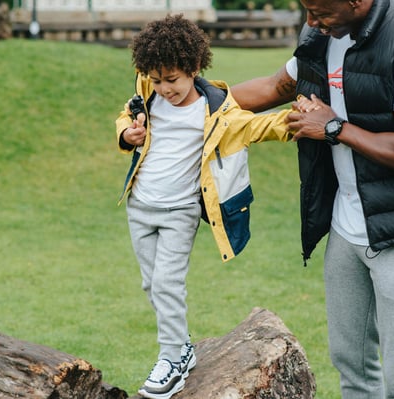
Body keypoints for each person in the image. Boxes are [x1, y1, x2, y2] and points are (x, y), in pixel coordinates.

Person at [231, 0, 394, 398]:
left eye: (318, 9)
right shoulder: (322, 34)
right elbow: (275, 87)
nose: (309, 20)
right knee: (351, 365)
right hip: (346, 226)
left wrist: (334, 127)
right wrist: (187, 105)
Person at [115, 14, 295, 399]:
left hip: (180, 212)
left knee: (167, 282)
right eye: (157, 80)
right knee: (152, 284)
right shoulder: (147, 92)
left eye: (172, 80)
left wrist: (296, 121)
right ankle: (181, 346)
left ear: (194, 68)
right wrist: (126, 133)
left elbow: (258, 127)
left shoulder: (218, 111)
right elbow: (125, 116)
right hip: (140, 206)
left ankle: (173, 358)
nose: (165, 89)